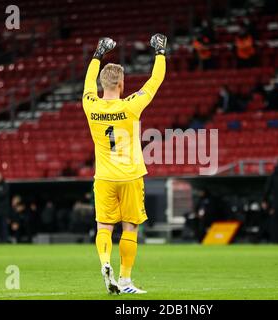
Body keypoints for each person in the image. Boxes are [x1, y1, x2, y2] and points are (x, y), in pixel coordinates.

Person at [82, 35, 166, 294]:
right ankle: (126, 280)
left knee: (104, 227)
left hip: (104, 177)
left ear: (101, 84)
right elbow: (155, 82)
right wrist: (160, 51)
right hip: (130, 175)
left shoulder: (89, 103)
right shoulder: (131, 106)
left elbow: (87, 83)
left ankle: (105, 262)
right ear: (120, 84)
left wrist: (97, 54)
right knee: (130, 227)